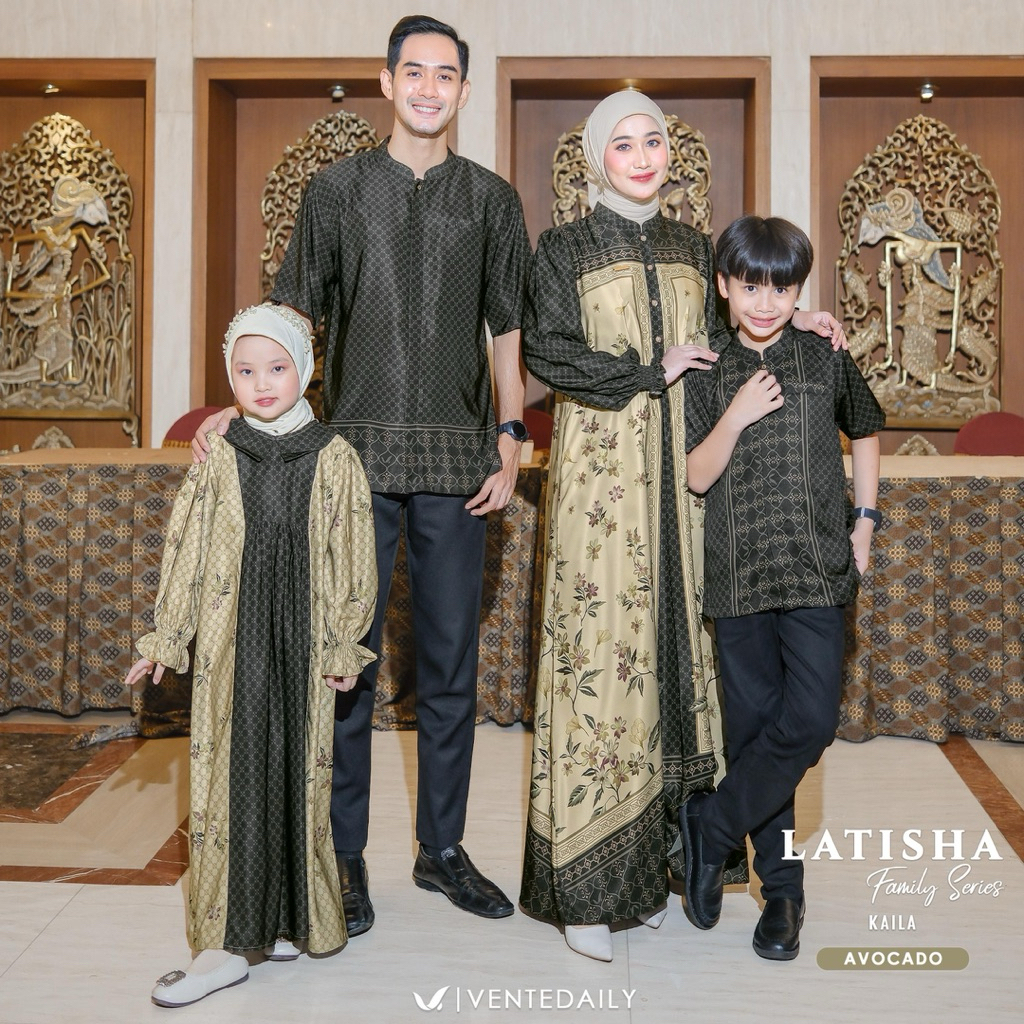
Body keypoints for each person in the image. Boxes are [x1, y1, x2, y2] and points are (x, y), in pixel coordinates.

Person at [192, 15, 531, 930]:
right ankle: (341, 857)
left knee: (450, 667)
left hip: (459, 462)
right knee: (346, 664)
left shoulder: (492, 200)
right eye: (413, 71)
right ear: (387, 82)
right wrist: (244, 401)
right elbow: (294, 314)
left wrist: (510, 434)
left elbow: (508, 328)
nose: (428, 88)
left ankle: (442, 851)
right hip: (348, 464)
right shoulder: (336, 191)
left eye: (445, 75)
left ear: (464, 91)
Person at [518, 90, 848, 962]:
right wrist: (645, 369)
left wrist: (801, 317)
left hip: (696, 482)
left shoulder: (693, 248)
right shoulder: (562, 249)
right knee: (603, 659)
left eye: (653, 140)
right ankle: (588, 890)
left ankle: (665, 862)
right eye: (622, 143)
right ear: (596, 157)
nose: (641, 156)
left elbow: (743, 323)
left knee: (685, 672)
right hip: (604, 485)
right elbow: (545, 352)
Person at [126, 303, 377, 1006]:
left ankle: (291, 917)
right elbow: (187, 547)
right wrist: (169, 634)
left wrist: (343, 640)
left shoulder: (335, 456)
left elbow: (354, 555)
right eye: (245, 371)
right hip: (231, 640)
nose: (262, 384)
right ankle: (226, 942)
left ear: (306, 370)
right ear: (229, 378)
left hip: (304, 639)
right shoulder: (220, 454)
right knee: (233, 774)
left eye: (276, 368)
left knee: (299, 771)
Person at [681, 215, 884, 960]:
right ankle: (784, 893)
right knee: (753, 732)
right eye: (750, 287)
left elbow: (865, 427)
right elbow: (696, 475)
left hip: (817, 568)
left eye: (782, 289)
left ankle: (710, 826)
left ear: (800, 291)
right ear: (725, 286)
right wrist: (735, 417)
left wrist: (864, 521)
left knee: (810, 721)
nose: (765, 303)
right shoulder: (707, 368)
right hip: (738, 574)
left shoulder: (823, 352)